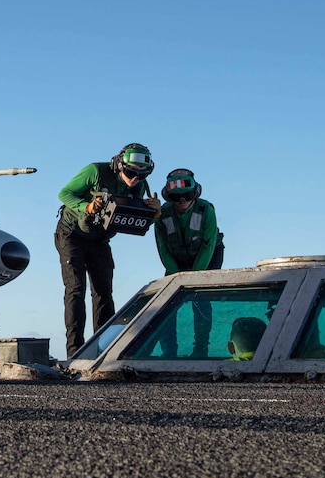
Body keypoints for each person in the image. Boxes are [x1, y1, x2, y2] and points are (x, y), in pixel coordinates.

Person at [56, 143, 161, 357]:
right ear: (119, 165)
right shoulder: (95, 171)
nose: (135, 179)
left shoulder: (138, 186)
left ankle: (103, 351)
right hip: (72, 233)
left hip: (100, 239)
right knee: (76, 289)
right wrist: (86, 206)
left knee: (104, 293)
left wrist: (151, 215)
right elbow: (64, 193)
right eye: (131, 172)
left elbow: (128, 221)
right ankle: (75, 352)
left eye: (142, 175)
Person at [155, 168, 225, 357]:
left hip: (207, 256)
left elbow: (208, 245)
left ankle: (200, 349)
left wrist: (194, 277)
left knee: (201, 299)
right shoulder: (161, 214)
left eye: (187, 195)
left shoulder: (206, 210)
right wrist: (177, 275)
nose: (182, 200)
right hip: (175, 259)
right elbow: (163, 248)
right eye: (176, 197)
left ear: (195, 193)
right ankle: (169, 351)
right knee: (166, 302)